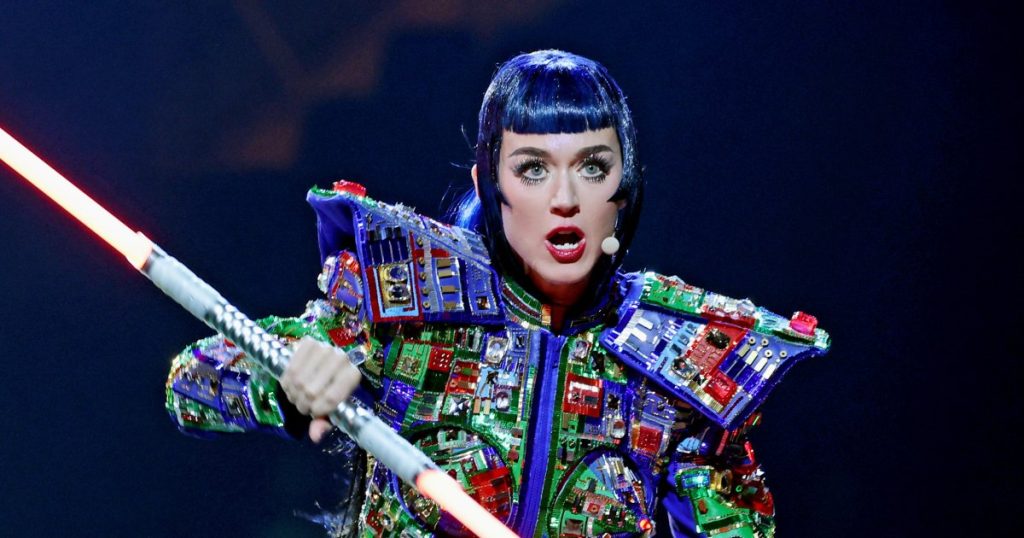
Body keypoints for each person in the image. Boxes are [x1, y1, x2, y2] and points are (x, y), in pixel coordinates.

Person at [165, 50, 830, 537]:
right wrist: (286, 379)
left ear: (625, 189)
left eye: (593, 168)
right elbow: (190, 387)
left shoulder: (681, 366)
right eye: (533, 169)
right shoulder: (403, 304)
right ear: (490, 184)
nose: (565, 199)